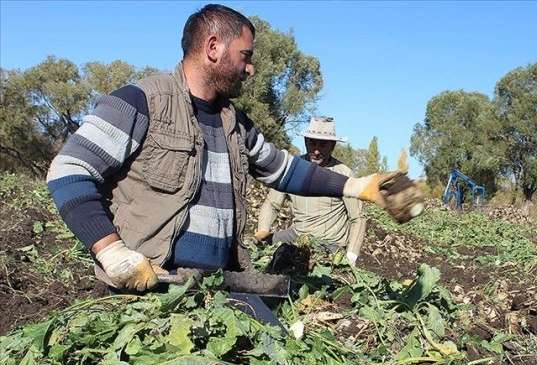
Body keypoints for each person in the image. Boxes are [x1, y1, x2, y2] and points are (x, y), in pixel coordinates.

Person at [45, 4, 397, 293]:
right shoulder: (142, 101)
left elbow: (284, 170)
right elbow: (68, 171)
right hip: (151, 287)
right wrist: (111, 251)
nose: (251, 68)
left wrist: (357, 186)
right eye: (245, 56)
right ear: (213, 47)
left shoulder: (235, 122)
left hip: (215, 287)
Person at [254, 117, 366, 266]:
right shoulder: (292, 168)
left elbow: (358, 218)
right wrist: (263, 230)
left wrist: (351, 256)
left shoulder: (344, 174)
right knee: (258, 247)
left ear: (332, 146)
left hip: (329, 242)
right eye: (312, 143)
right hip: (297, 234)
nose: (317, 151)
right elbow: (272, 204)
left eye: (323, 145)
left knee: (294, 261)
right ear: (305, 142)